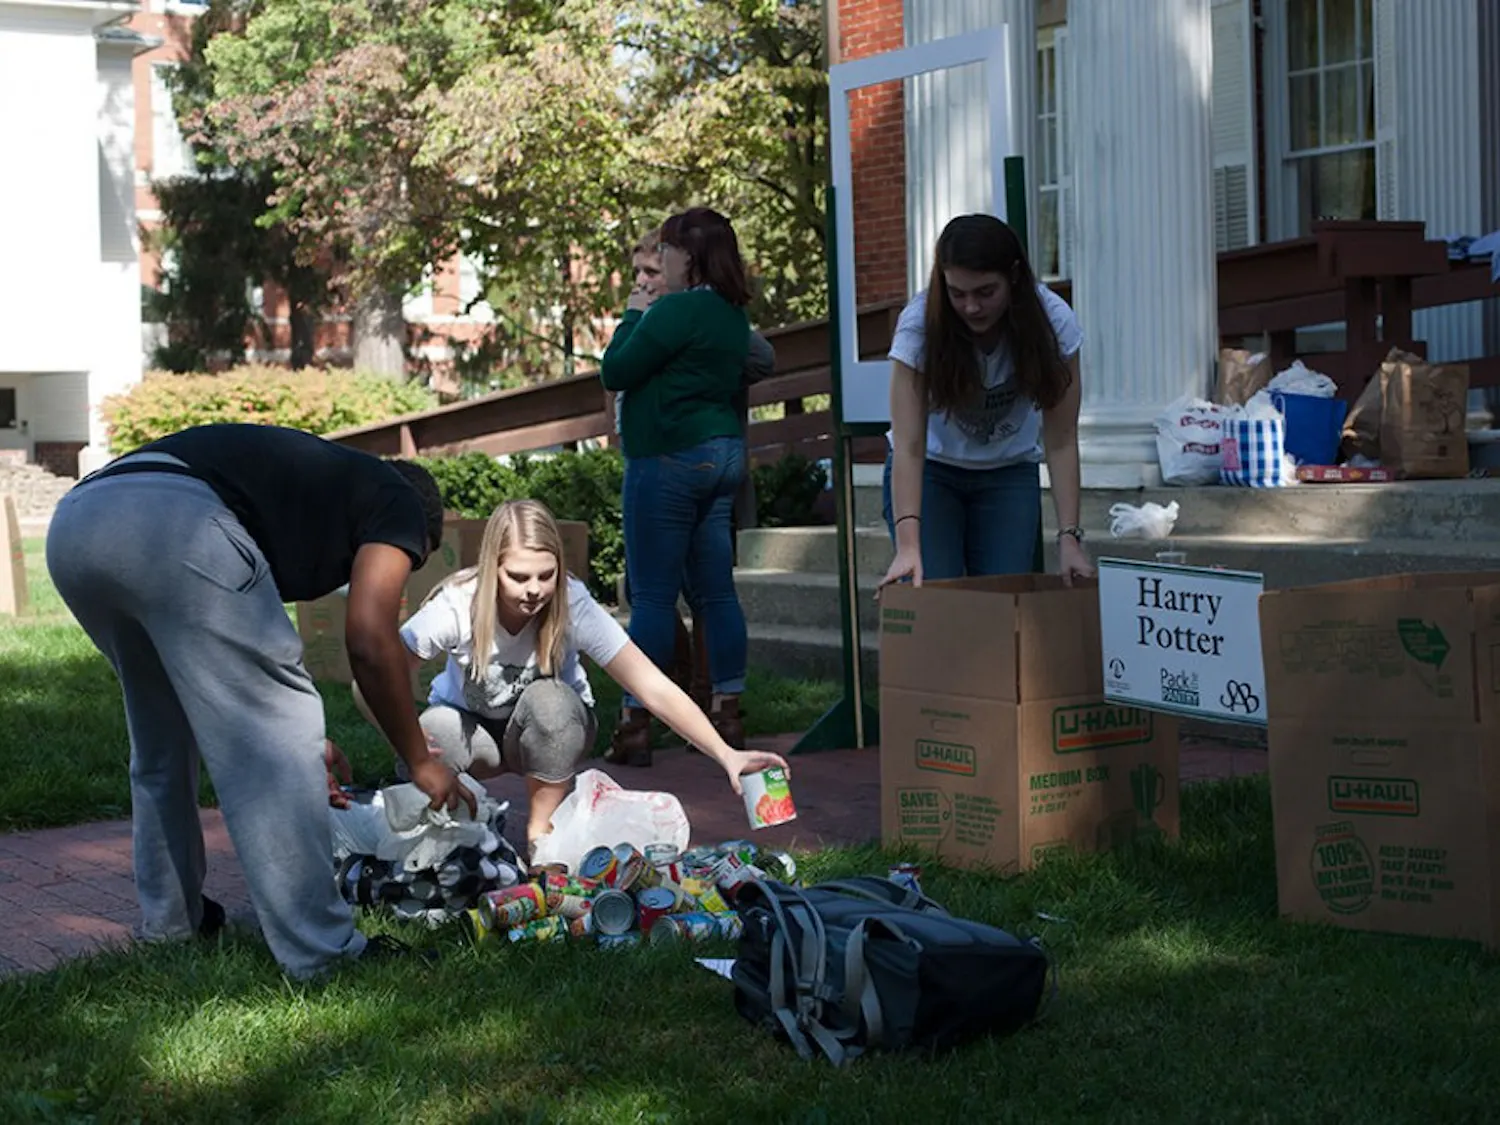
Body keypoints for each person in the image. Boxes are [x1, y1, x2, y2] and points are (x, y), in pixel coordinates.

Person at [45, 423, 472, 979]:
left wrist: (296, 740)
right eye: (413, 560)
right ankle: (322, 952)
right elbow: (369, 637)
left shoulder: (317, 496)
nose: (402, 572)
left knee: (162, 739)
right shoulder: (400, 501)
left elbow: (238, 664)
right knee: (276, 734)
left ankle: (173, 925)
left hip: (80, 524)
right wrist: (420, 760)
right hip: (174, 523)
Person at [363, 498, 788, 850]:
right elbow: (372, 678)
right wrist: (415, 753)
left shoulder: (572, 601)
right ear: (492, 567)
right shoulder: (458, 604)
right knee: (433, 726)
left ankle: (542, 836)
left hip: (549, 729)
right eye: (518, 576)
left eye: (545, 575)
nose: (534, 590)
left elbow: (651, 686)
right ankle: (449, 837)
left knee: (552, 702)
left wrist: (725, 753)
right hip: (472, 735)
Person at [600, 207, 756, 765]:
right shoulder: (730, 314)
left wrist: (633, 315)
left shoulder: (675, 311)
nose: (658, 262)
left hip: (664, 458)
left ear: (687, 256)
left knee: (652, 597)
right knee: (716, 592)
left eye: (665, 251)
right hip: (721, 457)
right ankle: (727, 712)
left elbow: (615, 371)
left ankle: (635, 724)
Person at [877, 213, 1094, 593]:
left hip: (1008, 473)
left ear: (1013, 277)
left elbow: (1060, 441)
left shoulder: (1055, 324)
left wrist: (1069, 538)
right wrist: (909, 546)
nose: (971, 307)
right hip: (931, 471)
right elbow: (908, 446)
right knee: (937, 601)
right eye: (957, 293)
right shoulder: (919, 327)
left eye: (985, 292)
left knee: (1003, 604)